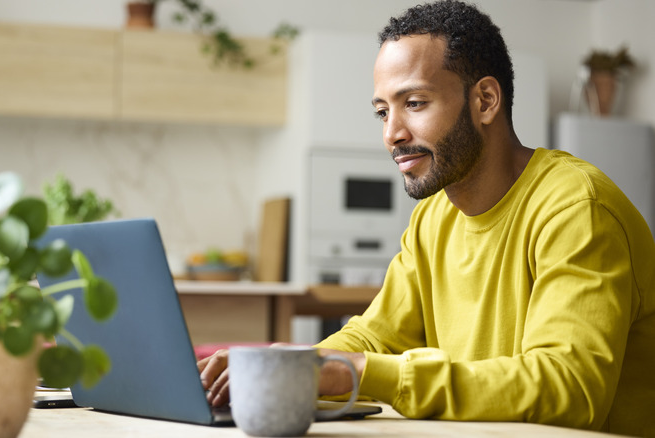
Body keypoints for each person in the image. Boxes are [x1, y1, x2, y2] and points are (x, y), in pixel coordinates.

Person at [198, 1, 655, 436]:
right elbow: (375, 338)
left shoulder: (576, 208)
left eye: (414, 103)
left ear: (486, 101)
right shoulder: (434, 217)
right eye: (382, 111)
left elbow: (568, 387)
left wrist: (356, 373)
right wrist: (288, 367)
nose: (392, 134)